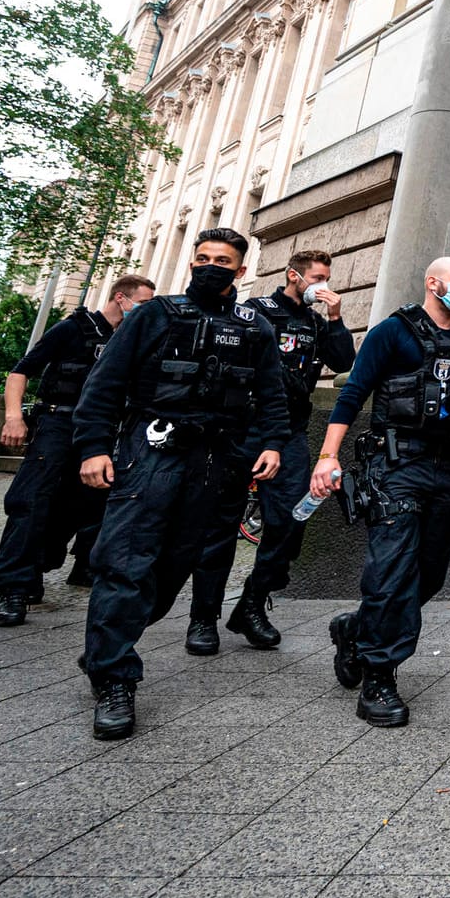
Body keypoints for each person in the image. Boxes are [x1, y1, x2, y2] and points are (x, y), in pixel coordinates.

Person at [74, 231, 289, 739]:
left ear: (240, 271)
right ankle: (114, 679)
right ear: (193, 263)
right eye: (203, 259)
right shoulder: (154, 315)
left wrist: (273, 443)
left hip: (215, 460)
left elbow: (272, 395)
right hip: (151, 451)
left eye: (223, 261)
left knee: (171, 571)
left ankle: (106, 641)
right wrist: (92, 447)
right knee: (126, 564)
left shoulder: (254, 327)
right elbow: (105, 383)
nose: (210, 266)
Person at [308, 257, 450, 728]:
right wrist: (327, 457)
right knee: (391, 572)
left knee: (428, 575)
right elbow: (352, 395)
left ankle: (354, 629)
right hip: (396, 466)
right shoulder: (393, 331)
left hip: (447, 469)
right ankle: (379, 677)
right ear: (432, 282)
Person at [188, 249, 356, 654]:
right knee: (220, 525)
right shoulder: (257, 311)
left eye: (327, 278)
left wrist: (335, 319)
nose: (323, 285)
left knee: (289, 520)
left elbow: (345, 362)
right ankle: (202, 618)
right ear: (294, 276)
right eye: (316, 277)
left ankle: (251, 603)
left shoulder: (316, 322)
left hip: (289, 432)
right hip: (240, 428)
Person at [0, 275, 157, 626]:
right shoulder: (74, 329)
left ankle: (80, 565)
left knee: (91, 502)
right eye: (142, 302)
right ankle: (15, 589)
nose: (145, 309)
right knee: (31, 502)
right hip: (58, 422)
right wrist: (13, 416)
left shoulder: (130, 339)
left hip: (105, 429)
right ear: (121, 298)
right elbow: (21, 372)